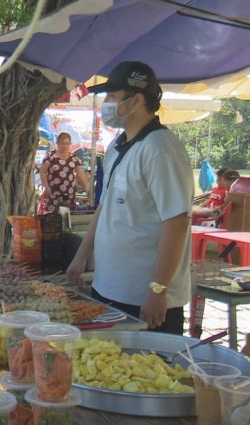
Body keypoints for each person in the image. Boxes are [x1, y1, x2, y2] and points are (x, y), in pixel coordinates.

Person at [66, 61, 193, 335]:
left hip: (146, 298)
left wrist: (158, 289)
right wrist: (80, 257)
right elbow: (105, 206)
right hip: (108, 287)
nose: (107, 104)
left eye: (113, 97)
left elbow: (177, 221)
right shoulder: (118, 145)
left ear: (136, 100)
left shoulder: (160, 149)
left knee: (147, 371)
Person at [39, 132, 89, 214]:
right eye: (62, 143)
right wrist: (46, 186)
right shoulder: (50, 156)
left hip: (69, 194)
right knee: (51, 218)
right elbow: (43, 172)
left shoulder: (74, 158)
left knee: (67, 218)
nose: (65, 146)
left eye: (67, 143)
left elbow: (80, 174)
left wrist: (87, 189)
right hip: (53, 193)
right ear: (58, 143)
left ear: (70, 144)